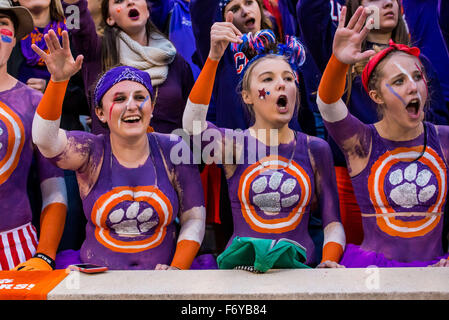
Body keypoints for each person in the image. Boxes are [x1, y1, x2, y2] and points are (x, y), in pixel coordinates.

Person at [31, 29, 206, 270]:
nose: (132, 106)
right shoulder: (90, 151)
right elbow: (45, 141)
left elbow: (194, 217)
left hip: (164, 279)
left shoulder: (174, 148)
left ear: (152, 107)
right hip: (97, 280)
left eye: (140, 97)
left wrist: (176, 269)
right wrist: (58, 82)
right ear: (100, 113)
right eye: (120, 99)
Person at [182, 13, 346, 268]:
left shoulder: (316, 148)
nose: (281, 84)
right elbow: (192, 126)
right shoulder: (234, 145)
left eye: (288, 78)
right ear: (247, 96)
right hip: (241, 272)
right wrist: (214, 58)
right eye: (268, 79)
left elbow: (333, 221)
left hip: (300, 271)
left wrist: (329, 260)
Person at [297, 0, 449, 246]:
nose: (388, 2)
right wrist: (340, 59)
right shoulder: (343, 54)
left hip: (419, 173)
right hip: (353, 181)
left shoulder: (421, 62)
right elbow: (309, 11)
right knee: (363, 268)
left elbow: (438, 119)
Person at [0, 0, 68, 271]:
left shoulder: (34, 102)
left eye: (3, 24)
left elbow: (55, 192)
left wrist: (45, 255)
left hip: (17, 247)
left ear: (14, 38)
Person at [61, 0, 194, 135]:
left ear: (147, 11)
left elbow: (194, 116)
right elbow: (77, 26)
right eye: (119, 1)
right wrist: (72, 3)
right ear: (110, 18)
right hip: (110, 154)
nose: (130, 2)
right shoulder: (97, 51)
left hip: (168, 153)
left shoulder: (173, 59)